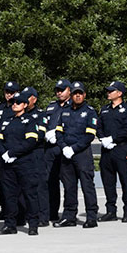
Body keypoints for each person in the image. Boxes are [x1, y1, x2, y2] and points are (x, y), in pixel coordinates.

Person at [54, 81, 99, 229]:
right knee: (69, 187)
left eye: (80, 93)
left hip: (82, 154)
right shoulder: (65, 111)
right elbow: (58, 132)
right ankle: (69, 216)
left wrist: (73, 148)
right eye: (75, 93)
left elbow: (89, 135)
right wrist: (64, 147)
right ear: (71, 95)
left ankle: (91, 216)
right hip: (66, 154)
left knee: (87, 186)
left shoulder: (90, 111)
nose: (77, 96)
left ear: (84, 95)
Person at [0, 91, 41, 235]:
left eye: (18, 103)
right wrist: (4, 153)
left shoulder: (30, 120)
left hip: (24, 163)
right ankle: (10, 224)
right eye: (14, 102)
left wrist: (12, 153)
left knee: (30, 194)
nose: (14, 105)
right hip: (7, 163)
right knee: (9, 195)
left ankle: (33, 224)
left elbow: (31, 142)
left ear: (25, 105)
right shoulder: (6, 120)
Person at [97, 81, 127, 223]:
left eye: (111, 91)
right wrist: (103, 139)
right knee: (108, 181)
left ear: (119, 93)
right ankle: (111, 211)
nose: (108, 93)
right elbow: (99, 127)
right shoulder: (104, 109)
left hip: (121, 148)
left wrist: (113, 139)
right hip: (107, 150)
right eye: (108, 91)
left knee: (125, 180)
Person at [43, 79, 72, 222]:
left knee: (68, 182)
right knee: (50, 181)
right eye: (57, 90)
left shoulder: (74, 106)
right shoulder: (51, 106)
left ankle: (68, 214)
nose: (59, 92)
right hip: (50, 148)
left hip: (65, 147)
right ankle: (51, 212)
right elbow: (44, 123)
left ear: (69, 90)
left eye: (62, 90)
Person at [0, 81, 20, 221]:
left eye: (12, 92)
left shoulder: (19, 107)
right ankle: (5, 209)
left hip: (15, 149)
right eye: (7, 92)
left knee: (17, 182)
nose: (9, 95)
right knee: (3, 180)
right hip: (1, 149)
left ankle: (19, 211)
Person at [24, 86, 50, 227]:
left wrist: (25, 140)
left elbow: (40, 134)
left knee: (40, 184)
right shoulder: (19, 114)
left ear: (34, 98)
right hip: (23, 153)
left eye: (28, 97)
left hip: (36, 153)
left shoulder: (41, 114)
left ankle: (42, 216)